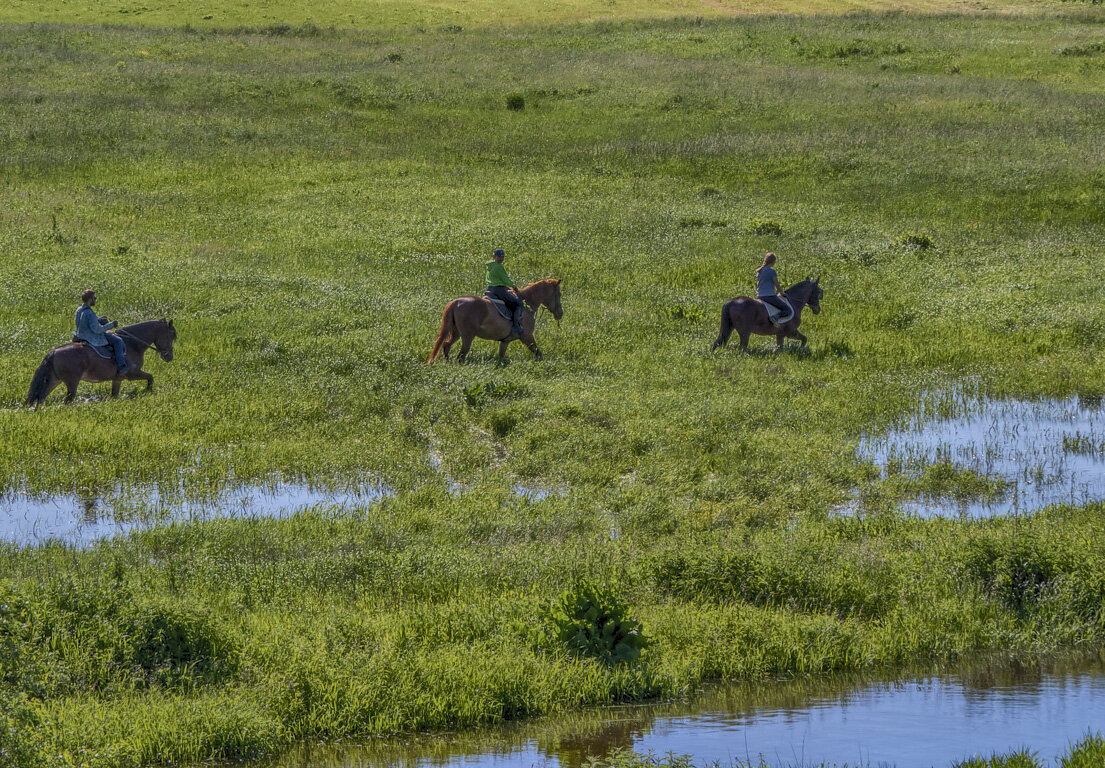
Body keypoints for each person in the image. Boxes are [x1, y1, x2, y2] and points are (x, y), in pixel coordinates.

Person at [75, 289, 129, 374]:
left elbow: (86, 321)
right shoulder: (89, 313)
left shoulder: (79, 309)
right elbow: (97, 330)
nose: (95, 299)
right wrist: (111, 325)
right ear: (90, 299)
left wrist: (99, 319)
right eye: (94, 297)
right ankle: (121, 366)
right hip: (92, 336)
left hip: (80, 334)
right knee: (118, 341)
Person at [485, 247, 524, 339]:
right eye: (499, 256)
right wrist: (514, 287)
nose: (501, 258)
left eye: (502, 256)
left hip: (490, 289)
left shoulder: (490, 265)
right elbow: (506, 279)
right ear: (494, 256)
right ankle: (515, 327)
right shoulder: (498, 267)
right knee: (518, 303)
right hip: (499, 289)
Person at [756, 252, 790, 318]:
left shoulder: (759, 271)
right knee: (787, 310)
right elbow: (777, 284)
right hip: (769, 296)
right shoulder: (772, 272)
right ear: (773, 261)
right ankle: (775, 318)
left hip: (760, 295)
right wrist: (782, 293)